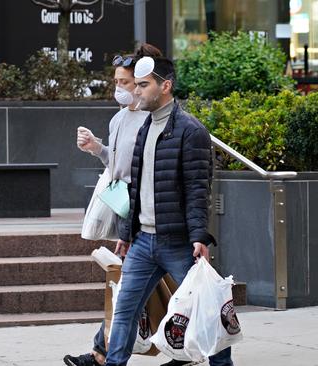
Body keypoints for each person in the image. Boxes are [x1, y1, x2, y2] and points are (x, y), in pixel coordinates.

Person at [104, 56, 234, 366]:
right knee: (125, 308)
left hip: (177, 242)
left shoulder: (191, 131)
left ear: (165, 86)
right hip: (143, 242)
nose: (137, 91)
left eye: (143, 85)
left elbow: (198, 188)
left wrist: (199, 236)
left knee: (205, 306)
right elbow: (135, 186)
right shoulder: (144, 127)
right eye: (135, 85)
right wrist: (126, 232)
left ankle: (222, 364)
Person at [64, 44, 163, 366]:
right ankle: (105, 352)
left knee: (133, 294)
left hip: (153, 218)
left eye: (125, 82)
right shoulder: (120, 118)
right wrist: (97, 149)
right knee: (132, 294)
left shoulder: (156, 119)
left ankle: (103, 353)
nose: (119, 88)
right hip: (131, 215)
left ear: (142, 83)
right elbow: (118, 165)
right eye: (117, 81)